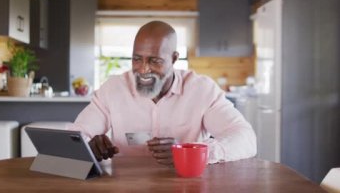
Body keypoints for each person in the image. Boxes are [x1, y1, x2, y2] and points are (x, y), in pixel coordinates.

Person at [68, 21, 257, 165]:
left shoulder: (202, 90)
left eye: (155, 61)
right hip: (126, 186)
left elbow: (245, 139)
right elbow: (75, 137)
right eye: (136, 59)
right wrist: (87, 148)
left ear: (174, 58)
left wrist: (191, 152)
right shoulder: (113, 89)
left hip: (187, 185)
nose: (143, 70)